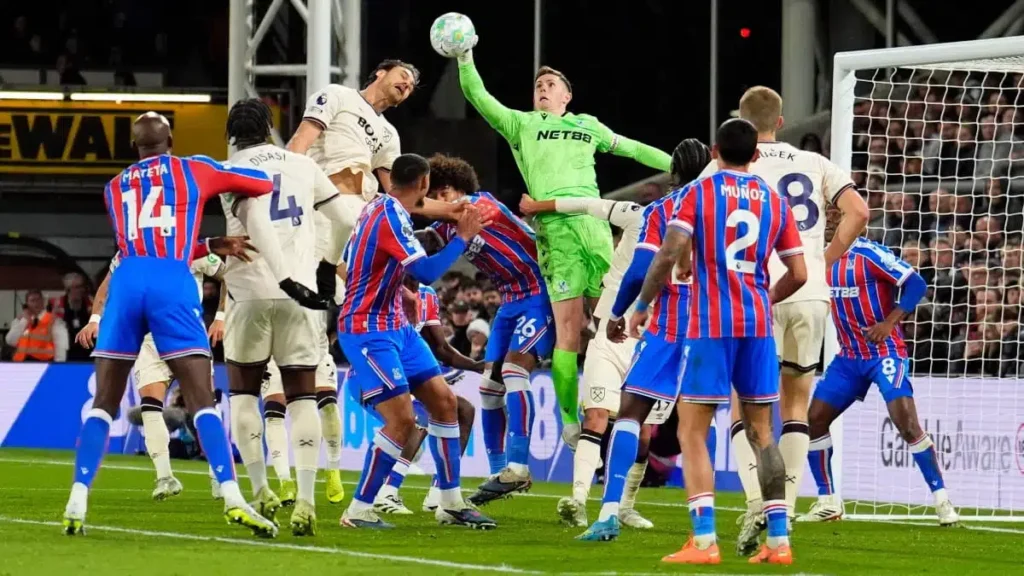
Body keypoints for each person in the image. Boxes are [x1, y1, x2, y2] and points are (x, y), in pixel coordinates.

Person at [60, 111, 322, 538]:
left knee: (104, 403)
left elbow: (146, 234)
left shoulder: (114, 187)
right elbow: (259, 185)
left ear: (134, 146)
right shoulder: (192, 168)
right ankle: (234, 497)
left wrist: (207, 244)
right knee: (201, 399)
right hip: (171, 280)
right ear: (171, 140)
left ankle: (77, 496)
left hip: (127, 279)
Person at [447, 33, 673, 446]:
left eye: (551, 85)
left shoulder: (588, 126)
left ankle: (631, 403)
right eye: (538, 86)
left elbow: (635, 149)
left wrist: (680, 165)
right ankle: (571, 422)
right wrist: (465, 57)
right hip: (556, 234)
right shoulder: (522, 124)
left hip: (594, 227)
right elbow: (477, 95)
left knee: (612, 318)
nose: (543, 89)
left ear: (568, 96)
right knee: (570, 329)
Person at [697, 87, 869, 552]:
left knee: (741, 403)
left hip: (752, 294)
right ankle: (785, 508)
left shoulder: (731, 164)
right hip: (809, 291)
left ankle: (757, 498)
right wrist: (826, 260)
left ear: (741, 121)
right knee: (797, 405)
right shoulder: (813, 162)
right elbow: (859, 211)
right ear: (782, 119)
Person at [520, 138, 712, 529]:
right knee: (599, 416)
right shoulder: (644, 214)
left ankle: (623, 506)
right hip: (634, 331)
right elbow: (589, 205)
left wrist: (539, 206)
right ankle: (577, 499)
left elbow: (587, 206)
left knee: (641, 432)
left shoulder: (665, 214)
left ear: (673, 173)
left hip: (647, 330)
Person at [287, 61, 452, 502]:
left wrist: (457, 211)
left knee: (337, 346)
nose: (408, 84)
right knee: (303, 347)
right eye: (403, 75)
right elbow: (298, 147)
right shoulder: (337, 96)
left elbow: (400, 201)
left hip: (355, 236)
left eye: (415, 83)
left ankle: (377, 468)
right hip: (320, 221)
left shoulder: (390, 137)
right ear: (380, 72)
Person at [644, 119, 807, 565]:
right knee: (762, 432)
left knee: (692, 431)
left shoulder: (699, 194)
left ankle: (703, 542)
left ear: (715, 151)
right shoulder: (775, 202)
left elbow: (667, 251)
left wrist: (642, 303)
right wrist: (762, 298)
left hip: (710, 325)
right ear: (757, 155)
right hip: (756, 326)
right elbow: (800, 274)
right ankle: (779, 542)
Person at [220, 98, 358, 536]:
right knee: (302, 396)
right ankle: (306, 499)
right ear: (269, 129)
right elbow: (344, 219)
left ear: (231, 134)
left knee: (244, 395)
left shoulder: (227, 169)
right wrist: (325, 262)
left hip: (247, 294)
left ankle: (260, 490)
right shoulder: (300, 164)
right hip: (300, 292)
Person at [336, 153, 494, 529]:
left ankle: (450, 503)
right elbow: (424, 271)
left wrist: (456, 210)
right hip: (367, 327)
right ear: (423, 183)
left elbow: (422, 206)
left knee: (445, 403)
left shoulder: (384, 205)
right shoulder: (389, 216)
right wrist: (462, 238)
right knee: (402, 419)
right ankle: (359, 509)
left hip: (396, 326)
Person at [800, 210, 958, 527]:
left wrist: (889, 322)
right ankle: (827, 501)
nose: (829, 223)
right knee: (814, 420)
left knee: (906, 423)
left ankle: (943, 501)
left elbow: (916, 283)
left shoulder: (869, 254)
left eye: (836, 217)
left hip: (883, 351)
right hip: (848, 357)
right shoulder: (818, 260)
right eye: (826, 217)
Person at [422, 154, 554, 505]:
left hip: (539, 291)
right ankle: (500, 473)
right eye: (429, 193)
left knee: (513, 373)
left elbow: (473, 214)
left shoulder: (481, 204)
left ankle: (519, 465)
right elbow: (423, 234)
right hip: (509, 302)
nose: (434, 199)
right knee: (488, 389)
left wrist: (423, 205)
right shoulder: (444, 225)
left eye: (438, 192)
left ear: (454, 189)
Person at [77, 252, 227, 501]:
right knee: (150, 406)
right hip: (148, 339)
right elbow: (105, 288)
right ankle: (165, 477)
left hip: (186, 333)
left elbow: (229, 275)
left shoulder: (188, 246)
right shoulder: (128, 251)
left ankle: (218, 476)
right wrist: (94, 320)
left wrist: (221, 317)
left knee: (205, 405)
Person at [373, 236, 483, 515]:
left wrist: (482, 366)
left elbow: (442, 349)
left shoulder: (427, 295)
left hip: (407, 372)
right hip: (376, 369)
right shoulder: (385, 287)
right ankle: (387, 491)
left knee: (464, 411)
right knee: (418, 417)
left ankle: (441, 492)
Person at [7, 289, 69, 362]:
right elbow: (10, 341)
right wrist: (25, 321)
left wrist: (58, 366)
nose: (36, 303)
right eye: (32, 300)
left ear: (43, 301)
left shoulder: (54, 320)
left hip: (42, 364)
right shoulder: (21, 320)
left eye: (39, 300)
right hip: (20, 365)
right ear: (27, 304)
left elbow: (61, 346)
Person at [49, 272, 93, 361]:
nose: (81, 290)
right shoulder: (55, 304)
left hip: (88, 354)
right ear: (68, 289)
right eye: (77, 287)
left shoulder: (92, 303)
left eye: (82, 286)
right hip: (65, 354)